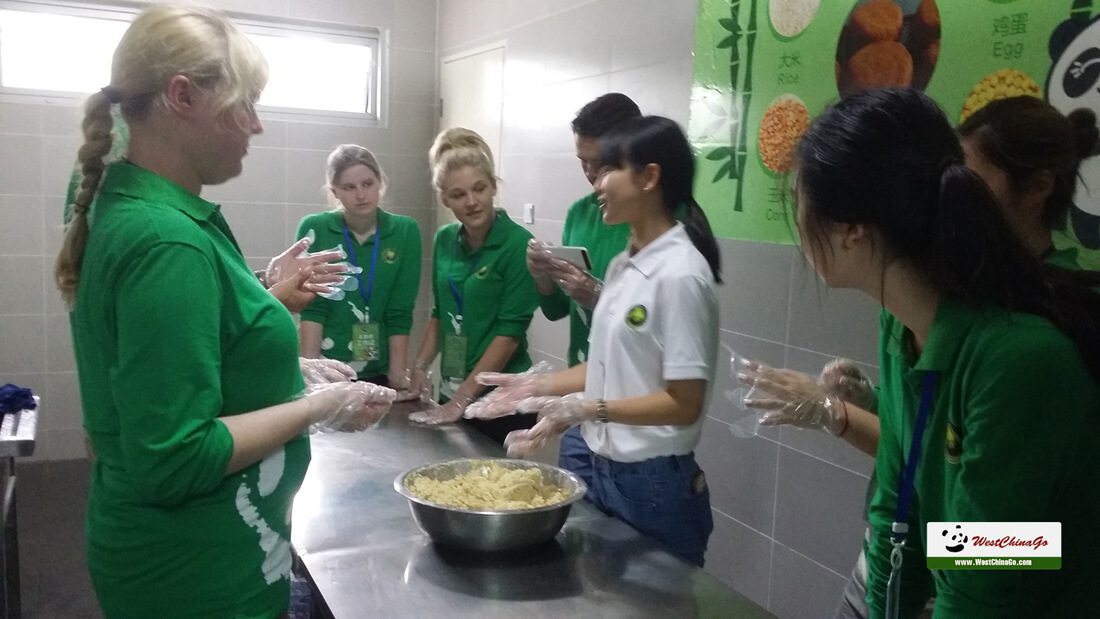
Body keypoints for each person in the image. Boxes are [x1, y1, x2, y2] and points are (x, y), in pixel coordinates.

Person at [54, 6, 394, 617]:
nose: (257, 125)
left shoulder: (121, 198)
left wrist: (261, 310)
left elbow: (170, 350)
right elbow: (176, 458)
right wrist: (315, 405)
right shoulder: (167, 240)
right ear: (182, 96)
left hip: (195, 554)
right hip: (194, 575)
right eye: (246, 103)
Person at [782, 88, 1100, 617]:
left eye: (799, 200)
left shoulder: (1020, 359)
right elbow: (893, 510)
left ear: (853, 229)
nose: (798, 220)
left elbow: (992, 574)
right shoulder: (900, 326)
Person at [466, 116, 722, 567]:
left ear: (649, 177)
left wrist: (590, 408)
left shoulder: (682, 274)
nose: (597, 184)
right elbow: (609, 366)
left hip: (654, 482)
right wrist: (537, 388)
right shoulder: (626, 263)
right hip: (605, 469)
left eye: (608, 171)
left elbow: (684, 403)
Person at [407, 128, 540, 443]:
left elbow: (509, 335)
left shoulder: (518, 244)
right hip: (453, 390)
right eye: (458, 194)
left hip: (502, 399)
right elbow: (440, 315)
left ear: (494, 187)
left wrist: (462, 400)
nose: (471, 202)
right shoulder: (444, 240)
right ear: (445, 199)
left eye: (479, 189)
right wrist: (420, 368)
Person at [296, 144, 422, 395]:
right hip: (328, 370)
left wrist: (397, 375)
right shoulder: (315, 229)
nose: (361, 194)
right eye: (349, 187)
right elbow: (313, 307)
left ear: (380, 182)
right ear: (335, 192)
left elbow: (400, 311)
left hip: (380, 371)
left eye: (368, 183)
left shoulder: (405, 231)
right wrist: (309, 374)